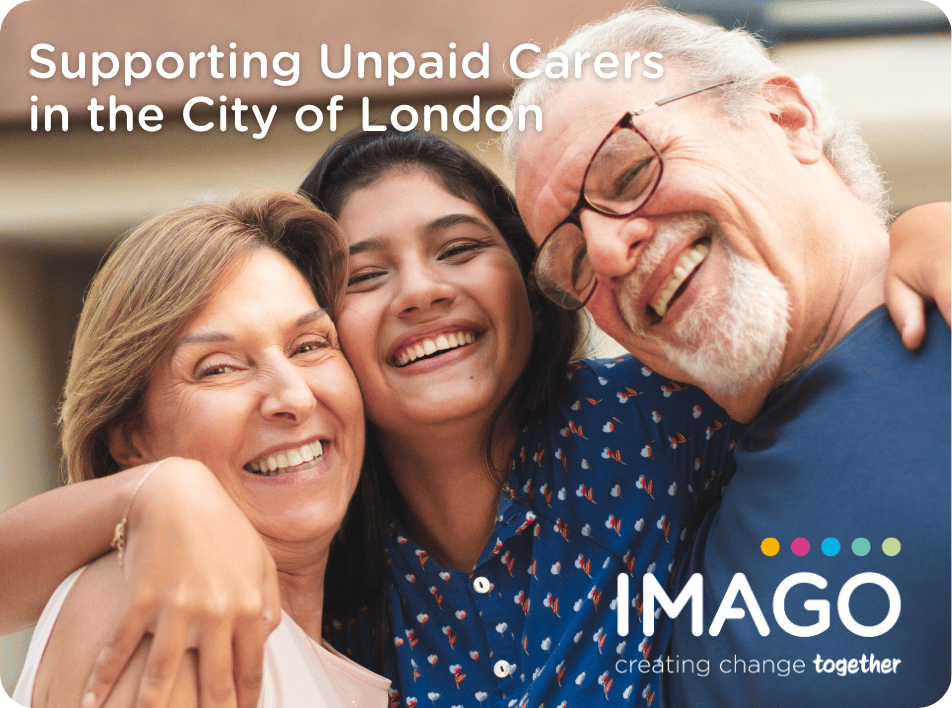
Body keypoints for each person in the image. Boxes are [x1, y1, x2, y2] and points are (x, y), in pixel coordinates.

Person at [0, 135, 948, 708]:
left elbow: (812, 332)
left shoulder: (657, 419)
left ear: (533, 289)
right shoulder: (306, 538)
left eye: (460, 248)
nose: (422, 292)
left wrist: (913, 232)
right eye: (365, 277)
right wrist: (155, 491)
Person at [506, 6, 950, 707]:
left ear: (787, 119)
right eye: (572, 264)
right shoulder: (660, 490)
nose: (606, 252)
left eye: (627, 174)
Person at [11, 191, 390, 708]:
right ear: (129, 439)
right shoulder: (157, 610)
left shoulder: (318, 644)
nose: (294, 397)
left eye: (309, 346)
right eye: (218, 368)